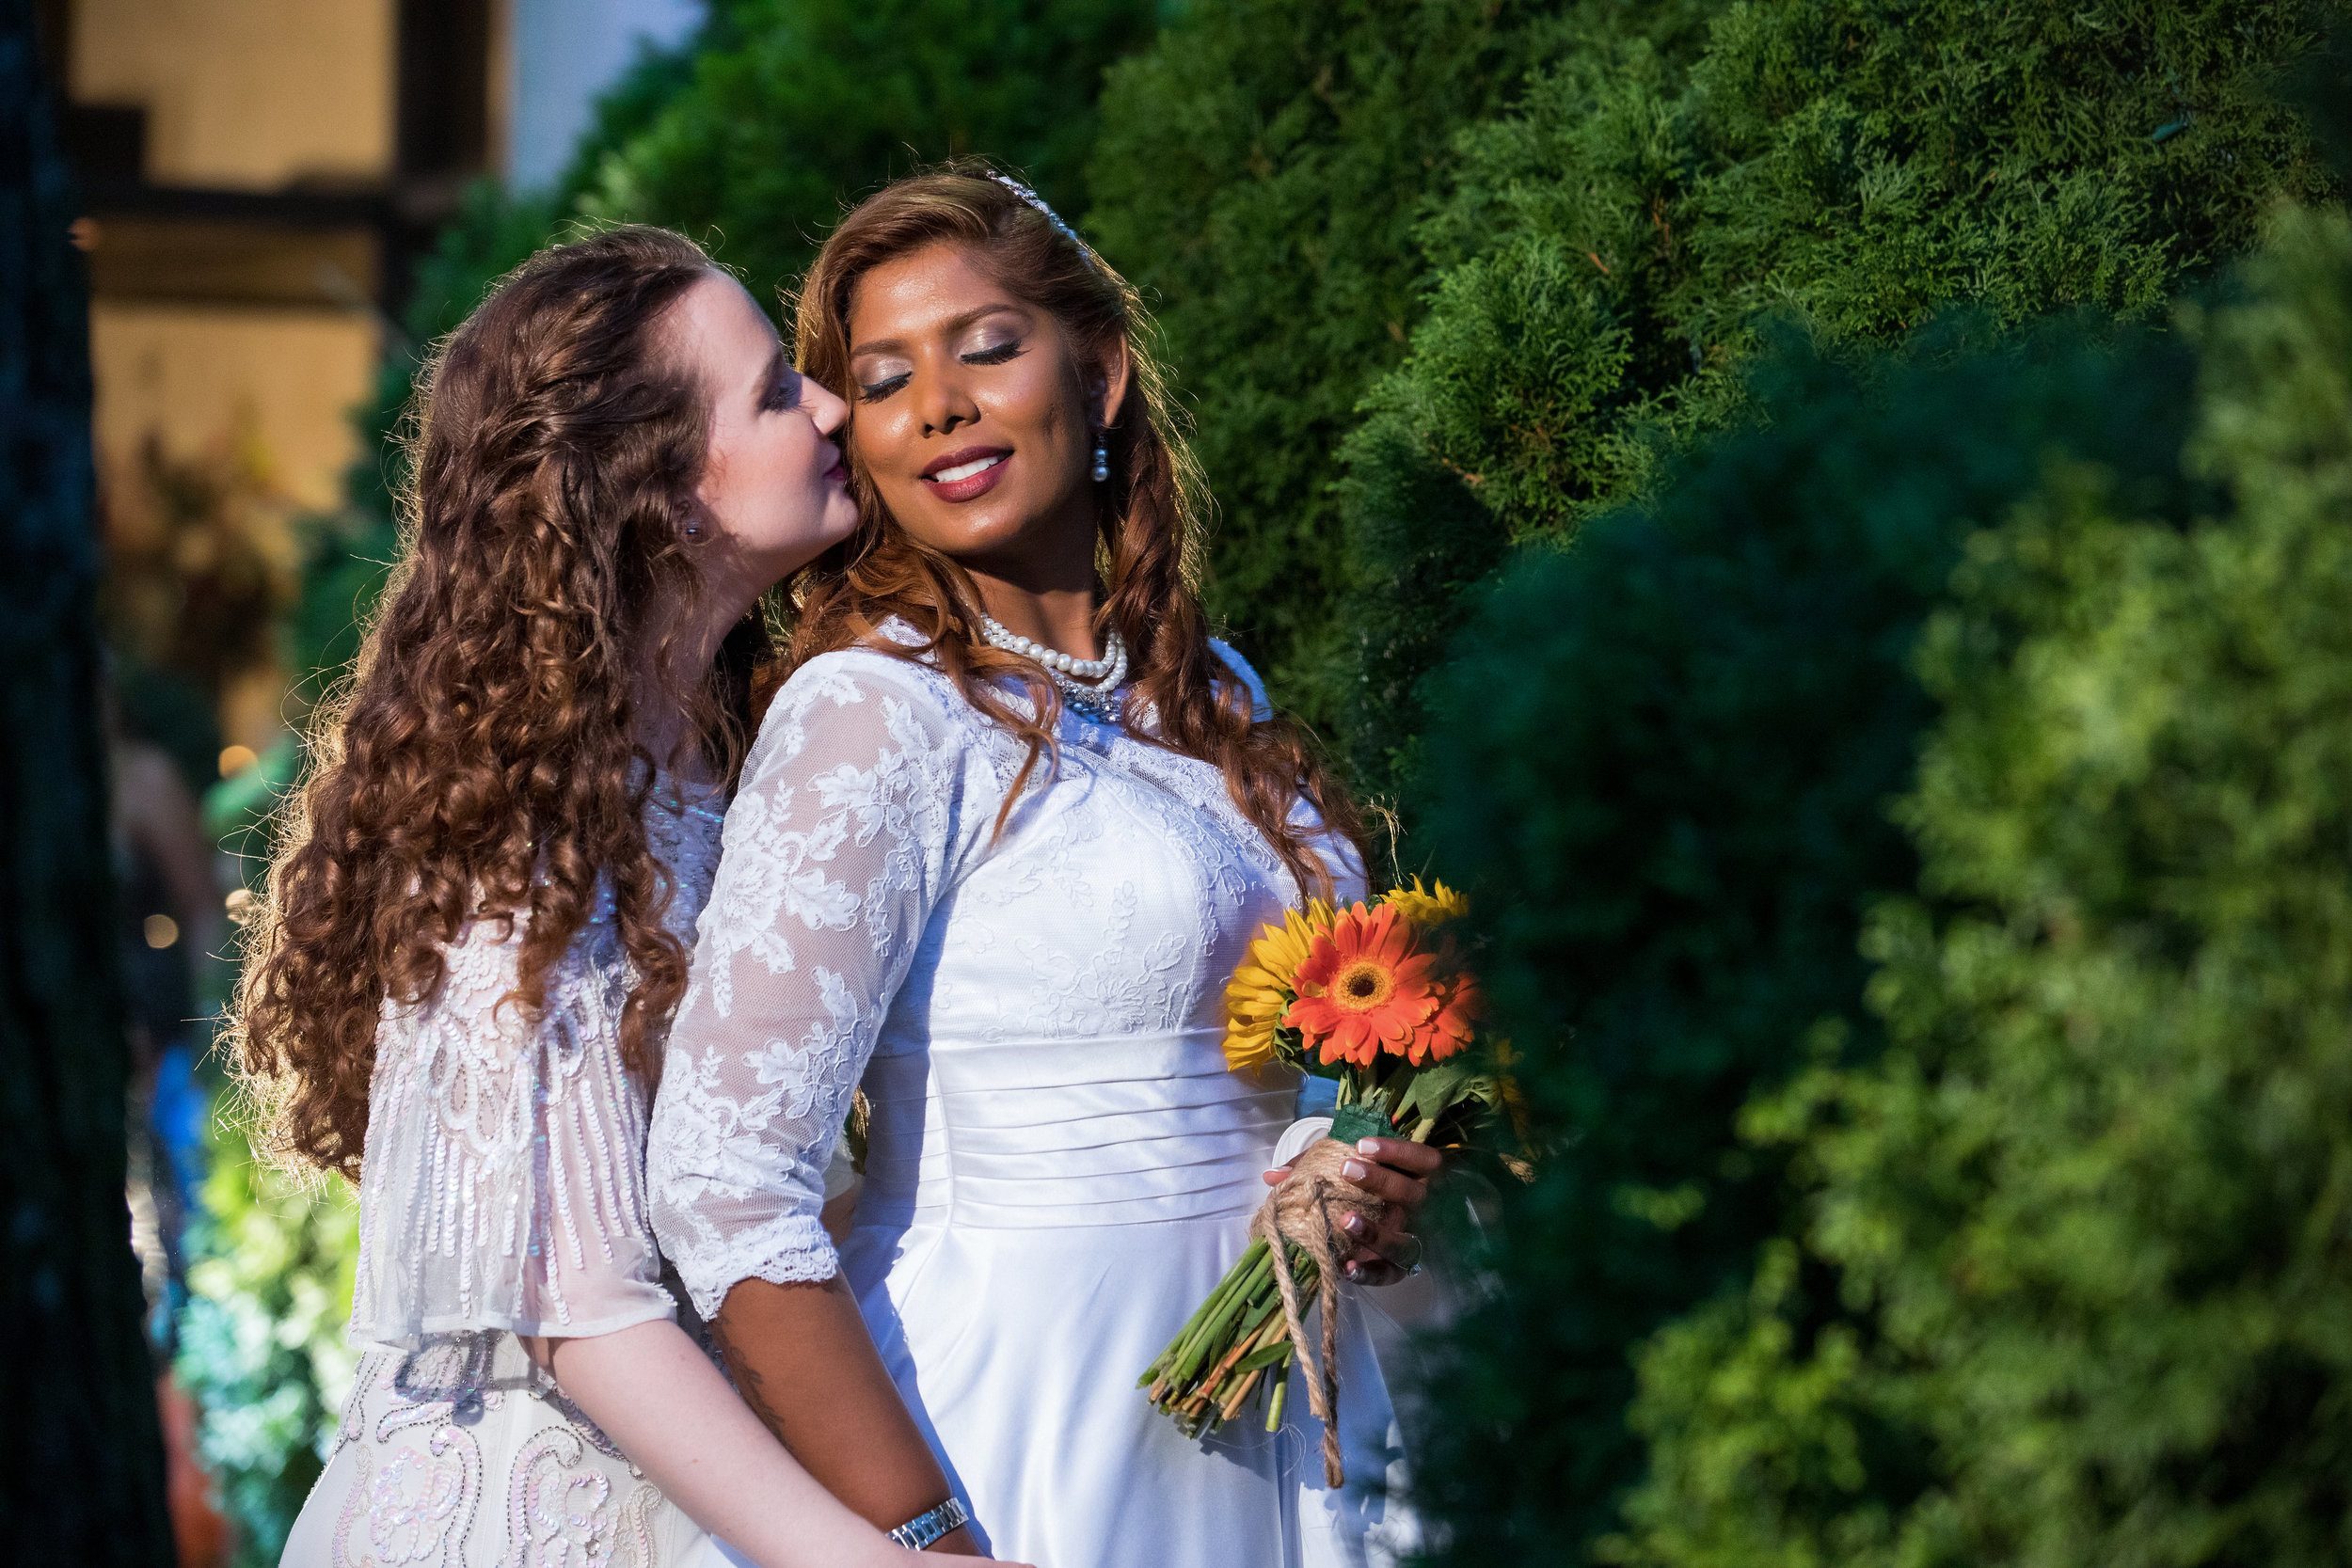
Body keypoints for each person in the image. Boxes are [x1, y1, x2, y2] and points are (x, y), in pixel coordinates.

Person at [648, 166, 1439, 1568]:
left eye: (987, 347)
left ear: (1105, 371)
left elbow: (1295, 1060)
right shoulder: (870, 712)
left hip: (1280, 1425)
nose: (940, 403)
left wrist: (1360, 1173)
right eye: (884, 379)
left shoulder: (1215, 695)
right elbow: (723, 1186)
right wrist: (924, 1541)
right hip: (1010, 1433)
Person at [235, 226, 997, 1568]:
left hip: (718, 1481)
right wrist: (879, 1556)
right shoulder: (514, 826)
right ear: (656, 491)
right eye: (772, 392)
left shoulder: (727, 748)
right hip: (530, 1515)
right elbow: (573, 1304)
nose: (828, 407)